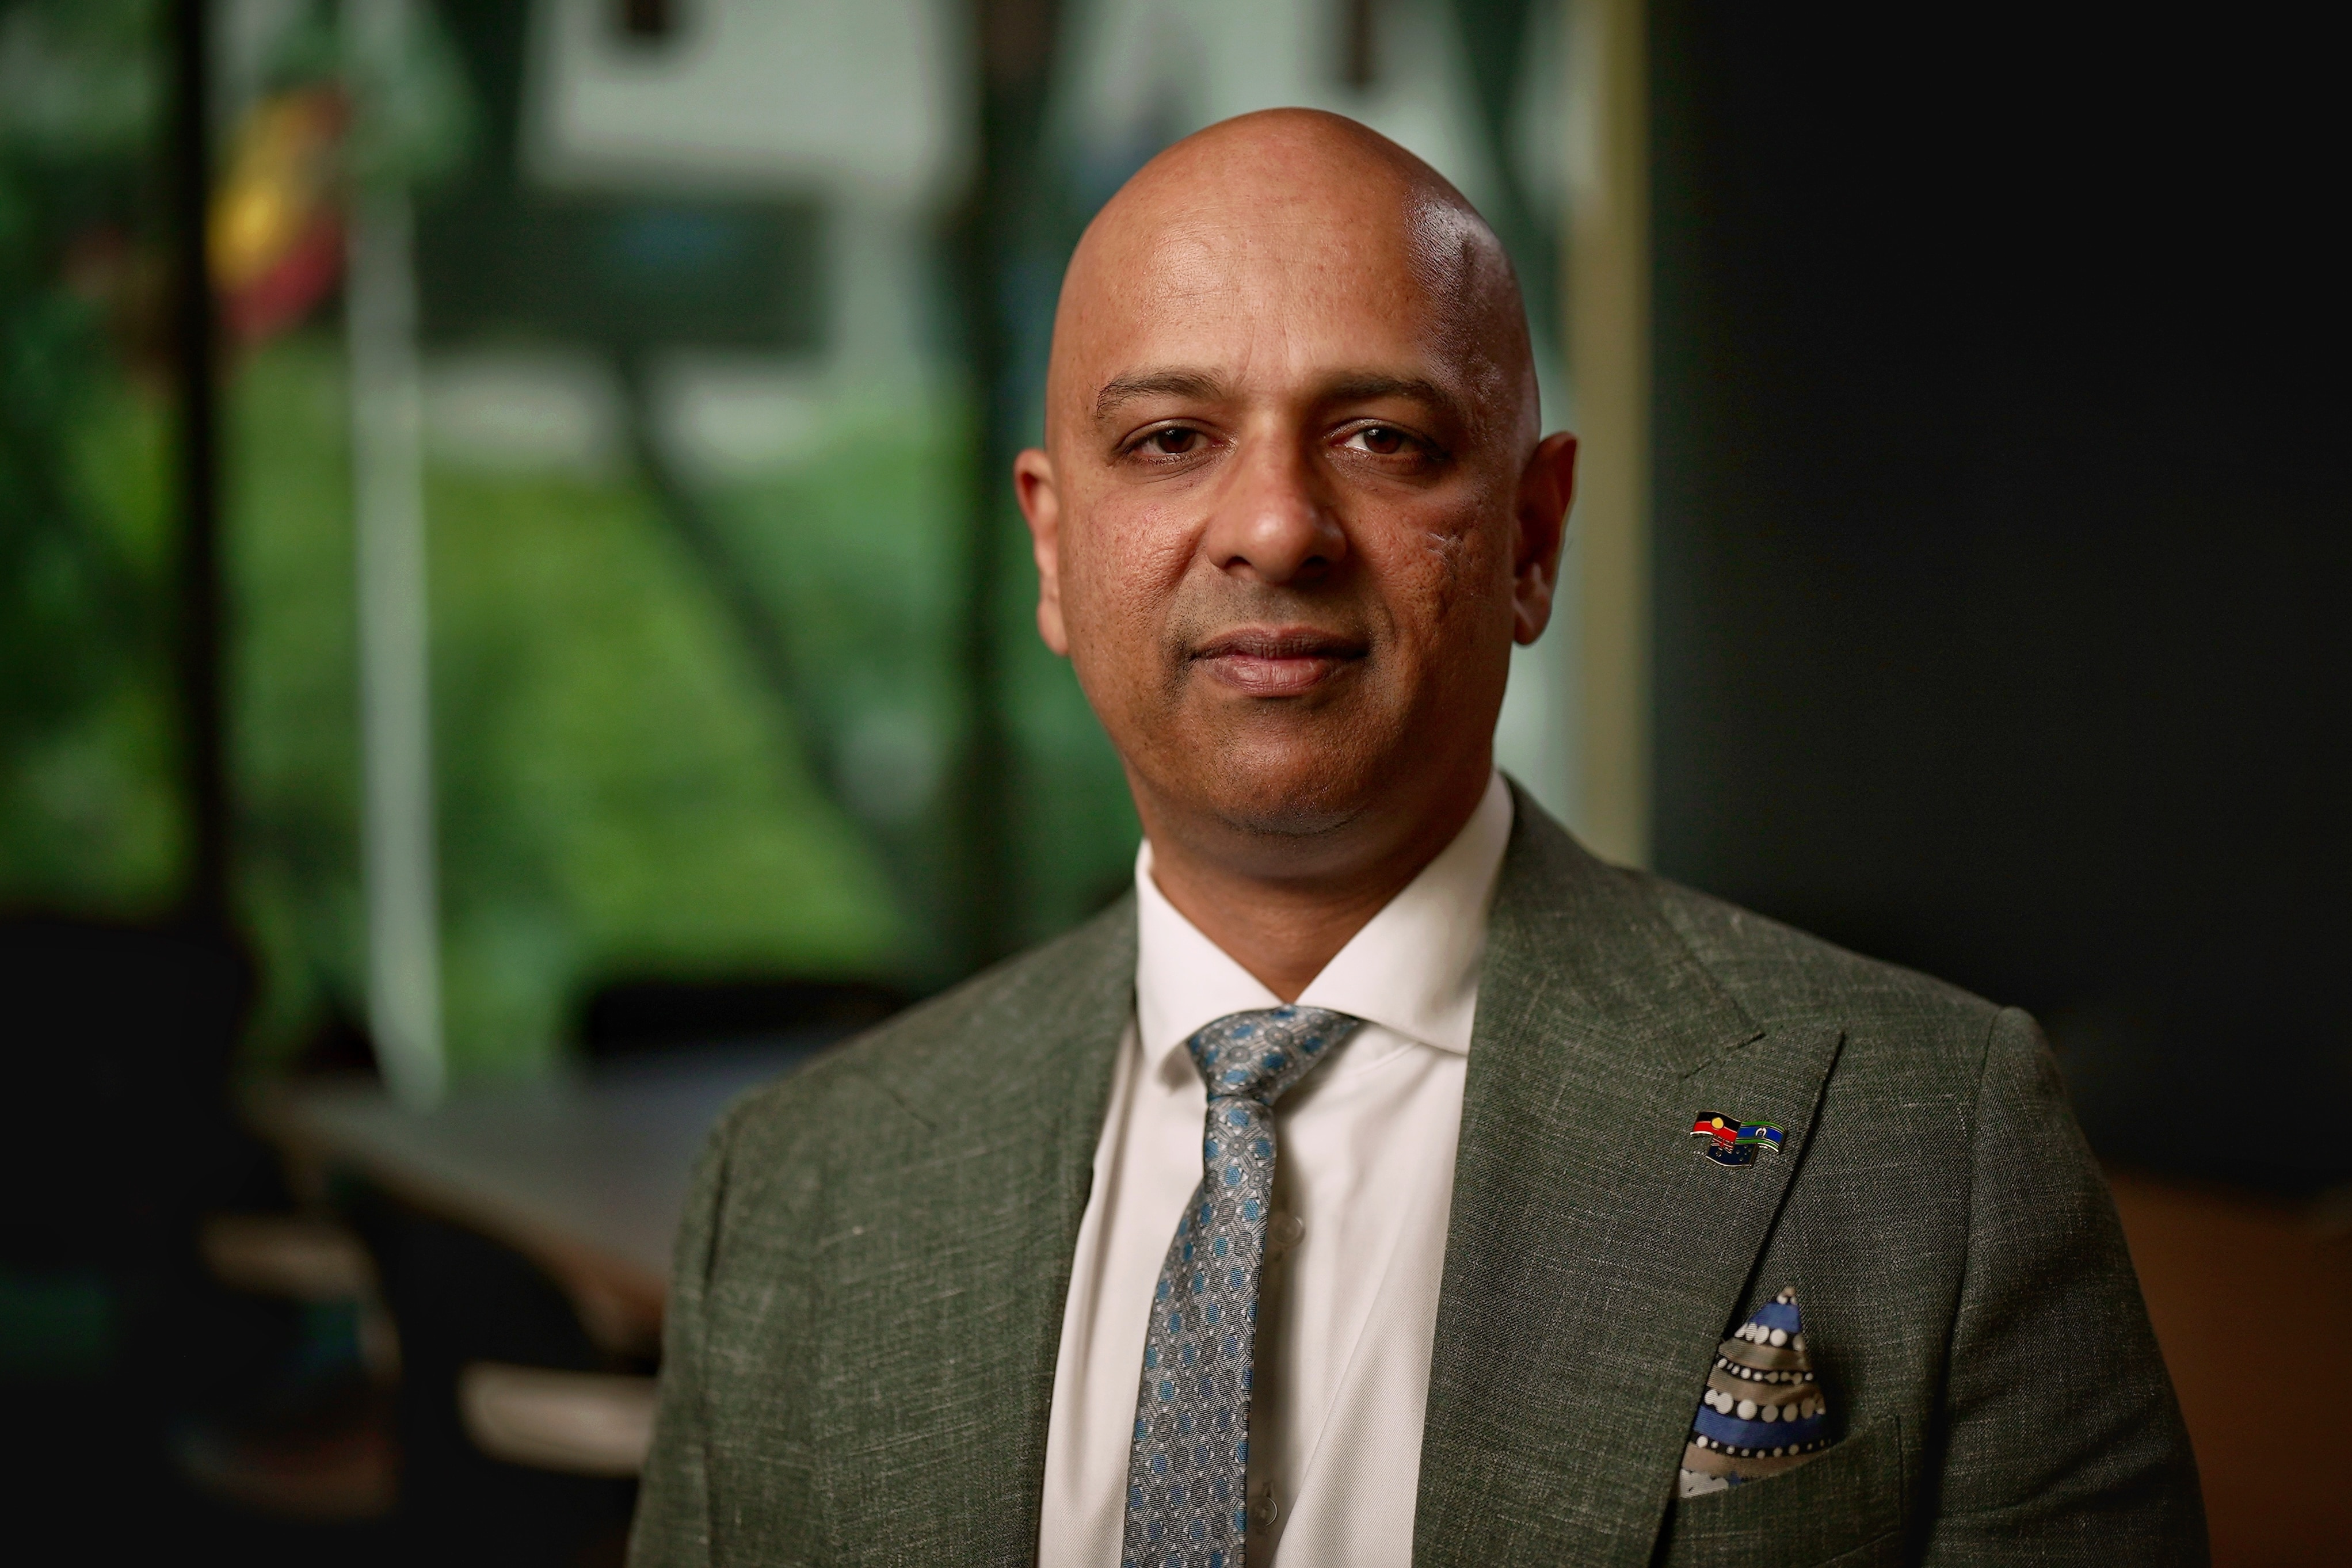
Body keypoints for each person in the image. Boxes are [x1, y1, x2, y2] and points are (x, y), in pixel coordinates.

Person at [628, 110, 2203, 1567]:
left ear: (1530, 537)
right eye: (1173, 437)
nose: (1274, 526)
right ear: (1053, 545)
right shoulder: (793, 1200)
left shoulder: (1939, 1147)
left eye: (1381, 436)